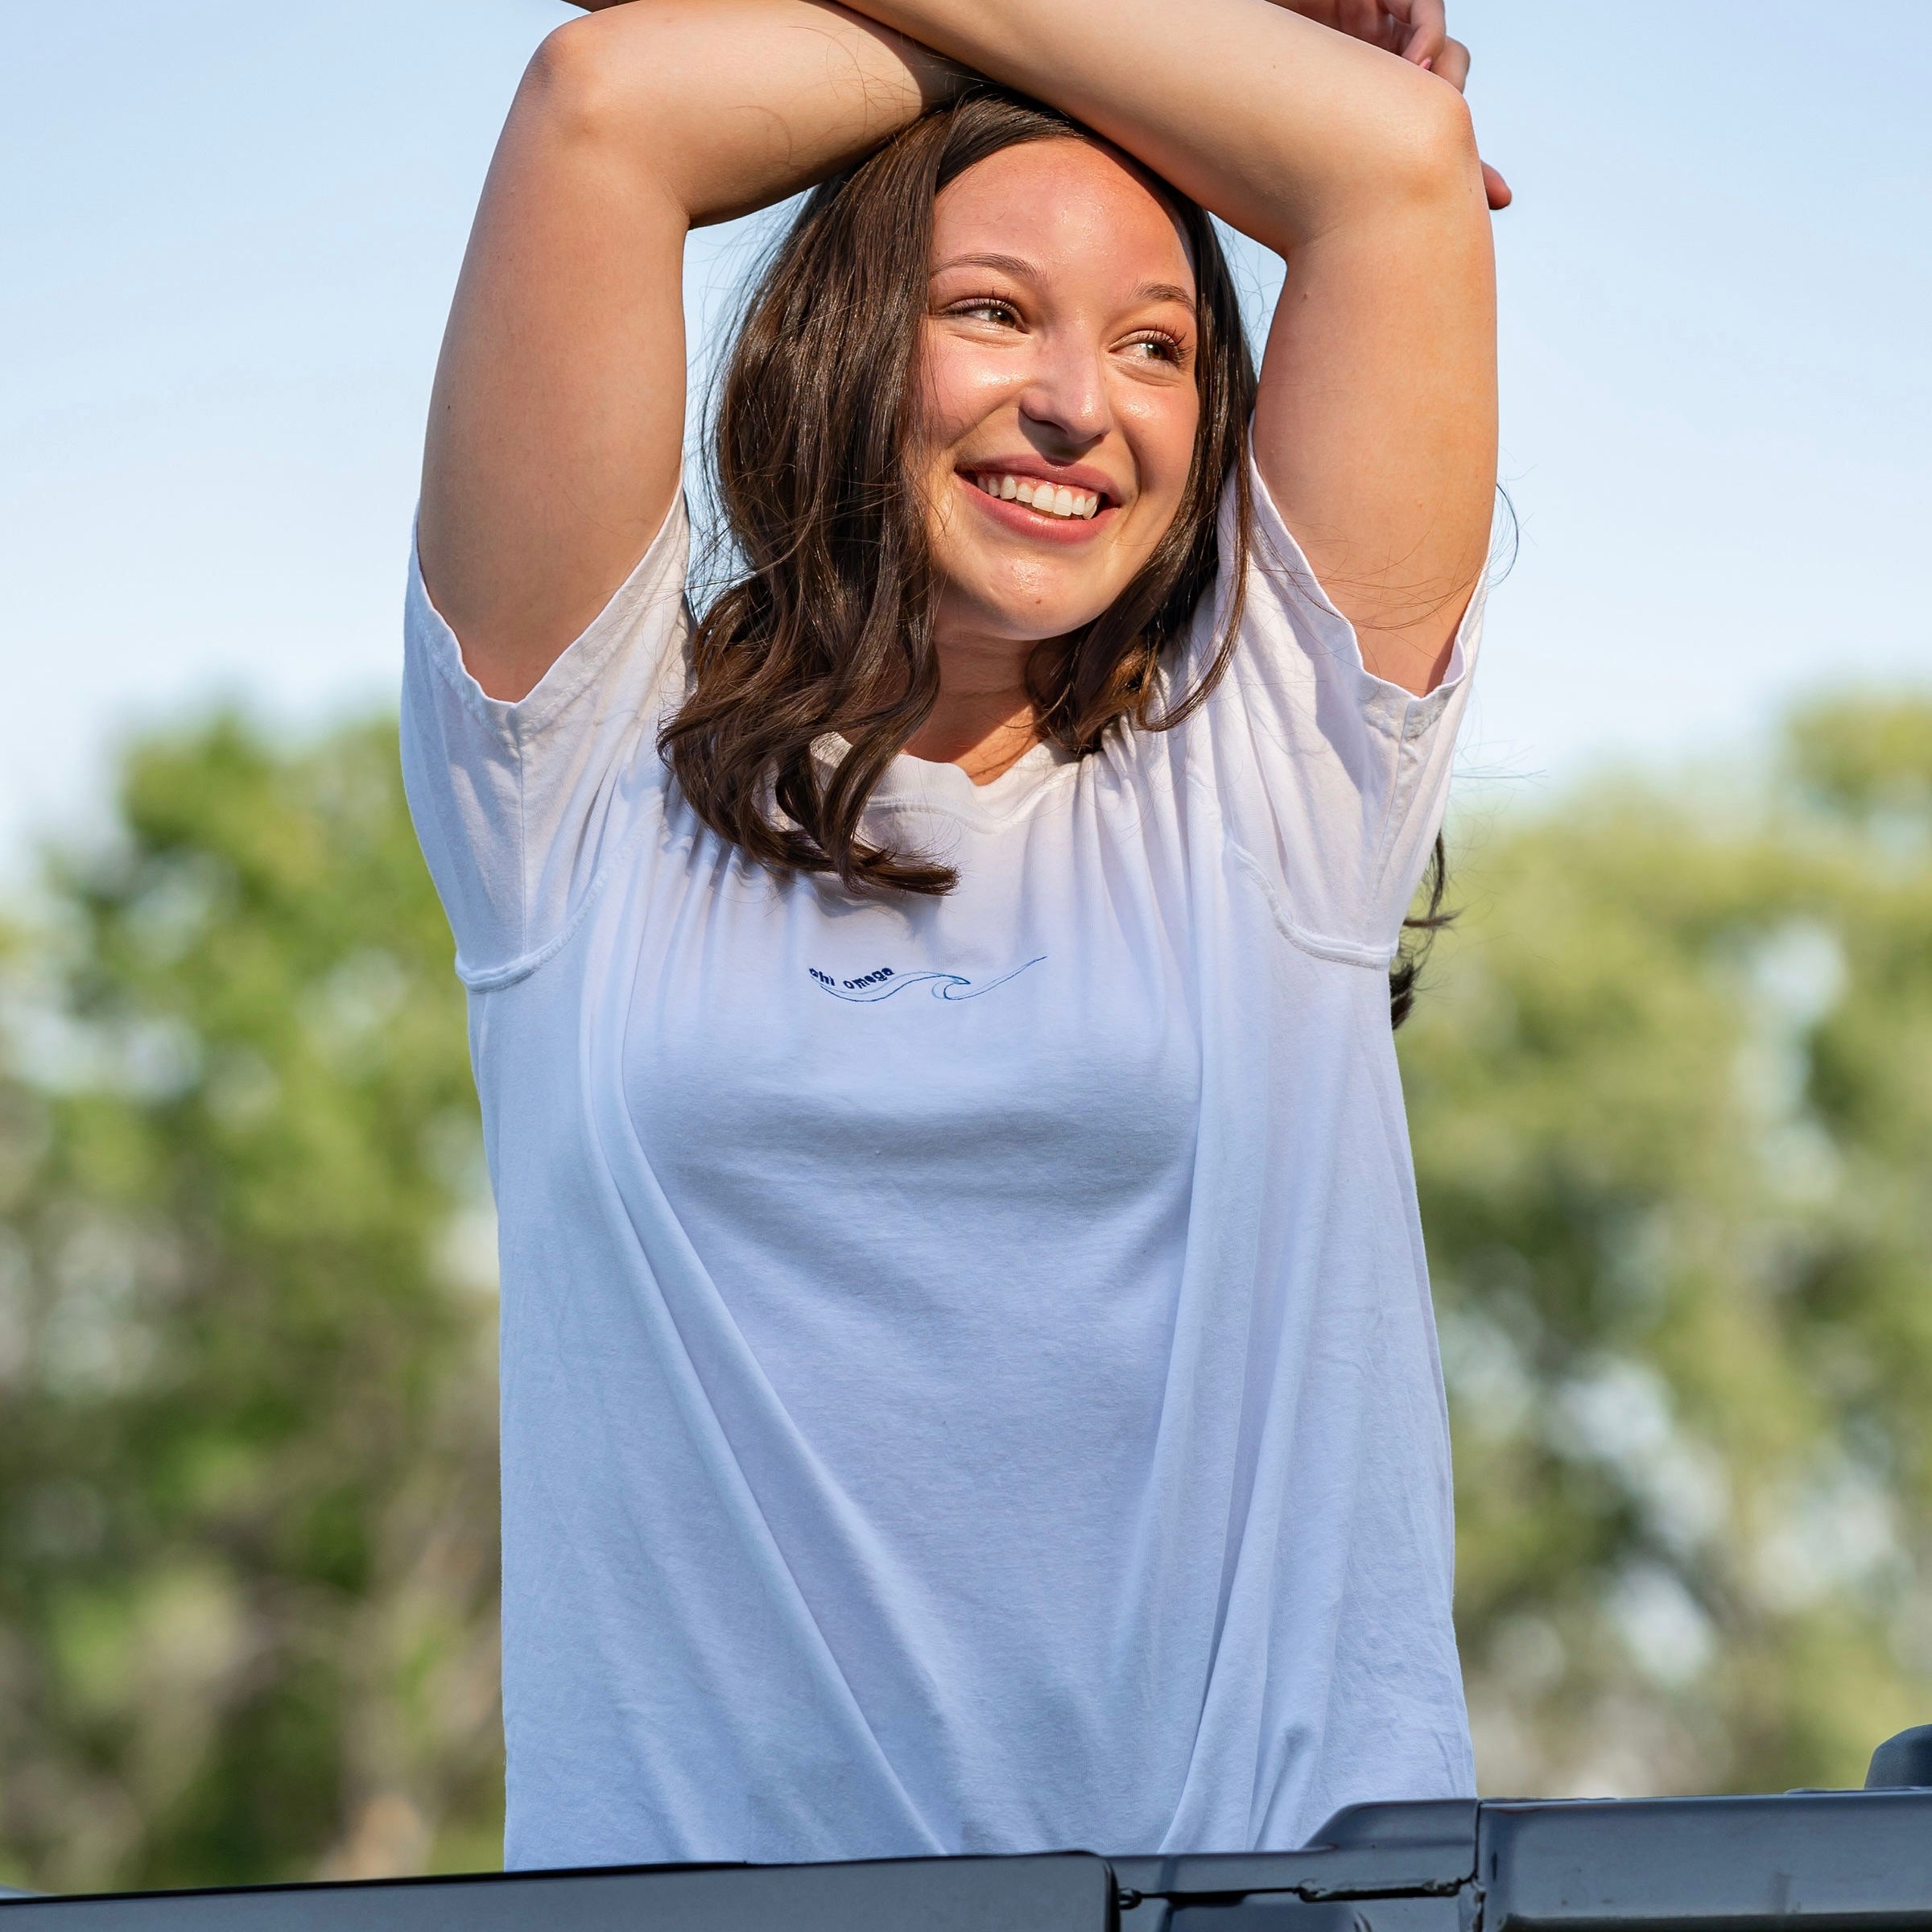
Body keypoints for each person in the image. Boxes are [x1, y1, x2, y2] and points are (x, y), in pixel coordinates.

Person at [402, 0, 1503, 1872]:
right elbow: (604, 103)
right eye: (992, 309)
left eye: (1157, 345)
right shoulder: (572, 789)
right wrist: (1180, 42)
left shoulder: (1277, 780)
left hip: (1271, 1916)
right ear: (842, 343)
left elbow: (1391, 170)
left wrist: (1171, 57)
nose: (1079, 401)